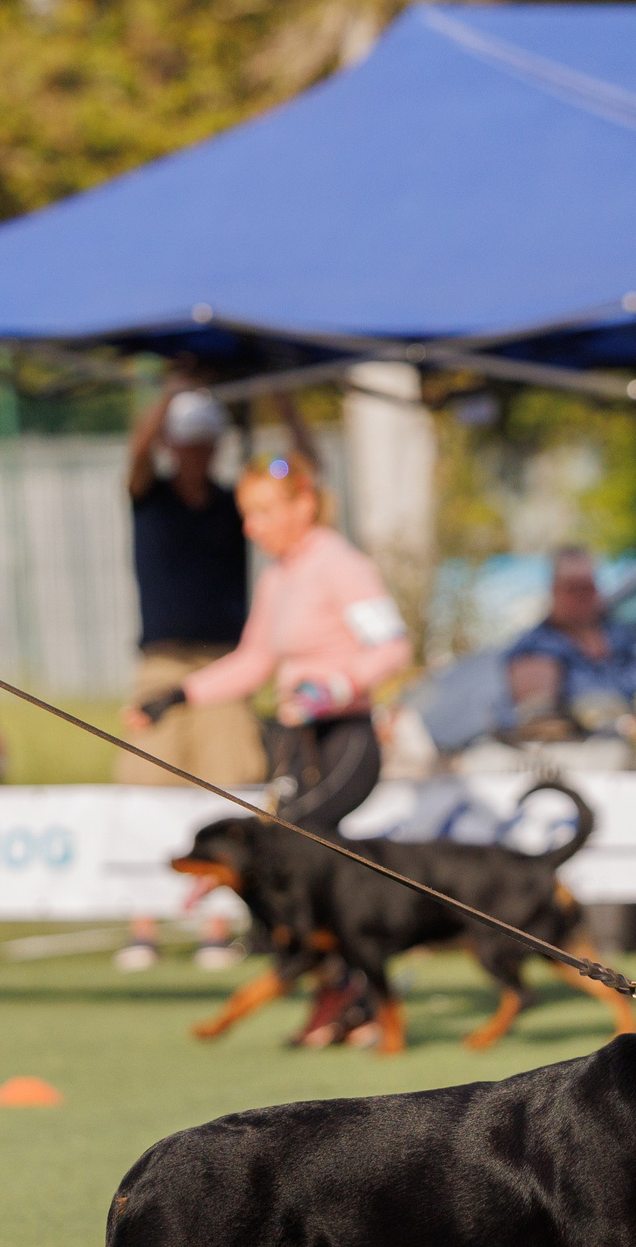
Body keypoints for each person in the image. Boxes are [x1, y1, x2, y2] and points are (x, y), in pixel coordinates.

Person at [132, 452, 411, 1039]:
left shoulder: (340, 564)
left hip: (344, 739)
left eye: (261, 512)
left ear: (303, 504)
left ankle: (356, 993)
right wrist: (177, 695)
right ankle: (339, 992)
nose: (249, 527)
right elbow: (255, 661)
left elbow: (392, 648)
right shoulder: (279, 576)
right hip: (296, 743)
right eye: (246, 513)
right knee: (296, 861)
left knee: (293, 846)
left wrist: (334, 686)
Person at [113, 379, 261, 973]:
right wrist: (170, 391)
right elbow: (135, 456)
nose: (196, 452)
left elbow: (302, 475)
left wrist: (276, 393)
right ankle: (142, 927)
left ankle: (216, 926)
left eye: (204, 442)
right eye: (186, 441)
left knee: (230, 784)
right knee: (143, 786)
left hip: (225, 663)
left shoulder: (233, 503)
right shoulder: (150, 498)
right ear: (172, 445)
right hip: (163, 663)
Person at [502, 547, 636, 728]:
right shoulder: (536, 646)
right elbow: (537, 718)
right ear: (554, 591)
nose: (583, 596)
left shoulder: (620, 633)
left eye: (588, 586)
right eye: (573, 588)